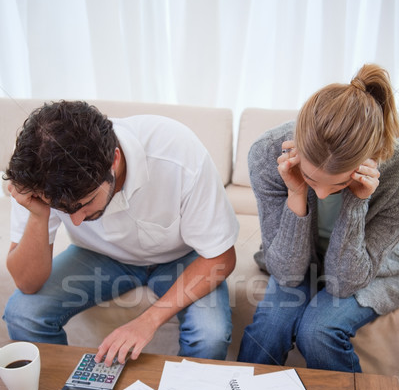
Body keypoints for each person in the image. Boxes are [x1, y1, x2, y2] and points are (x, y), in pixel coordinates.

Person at [4, 101, 238, 365]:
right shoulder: (36, 173)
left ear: (113, 161)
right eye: (61, 209)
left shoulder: (178, 152)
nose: (76, 222)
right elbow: (27, 283)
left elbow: (223, 258)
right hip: (97, 256)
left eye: (84, 205)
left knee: (210, 336)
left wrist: (147, 321)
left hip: (182, 258)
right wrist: (39, 215)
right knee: (22, 314)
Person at [238, 64, 399, 373]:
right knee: (270, 328)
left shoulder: (397, 171)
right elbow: (287, 273)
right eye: (314, 181)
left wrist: (356, 201)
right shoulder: (268, 153)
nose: (324, 195)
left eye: (338, 185)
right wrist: (297, 193)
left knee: (318, 331)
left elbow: (344, 283)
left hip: (375, 268)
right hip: (304, 260)